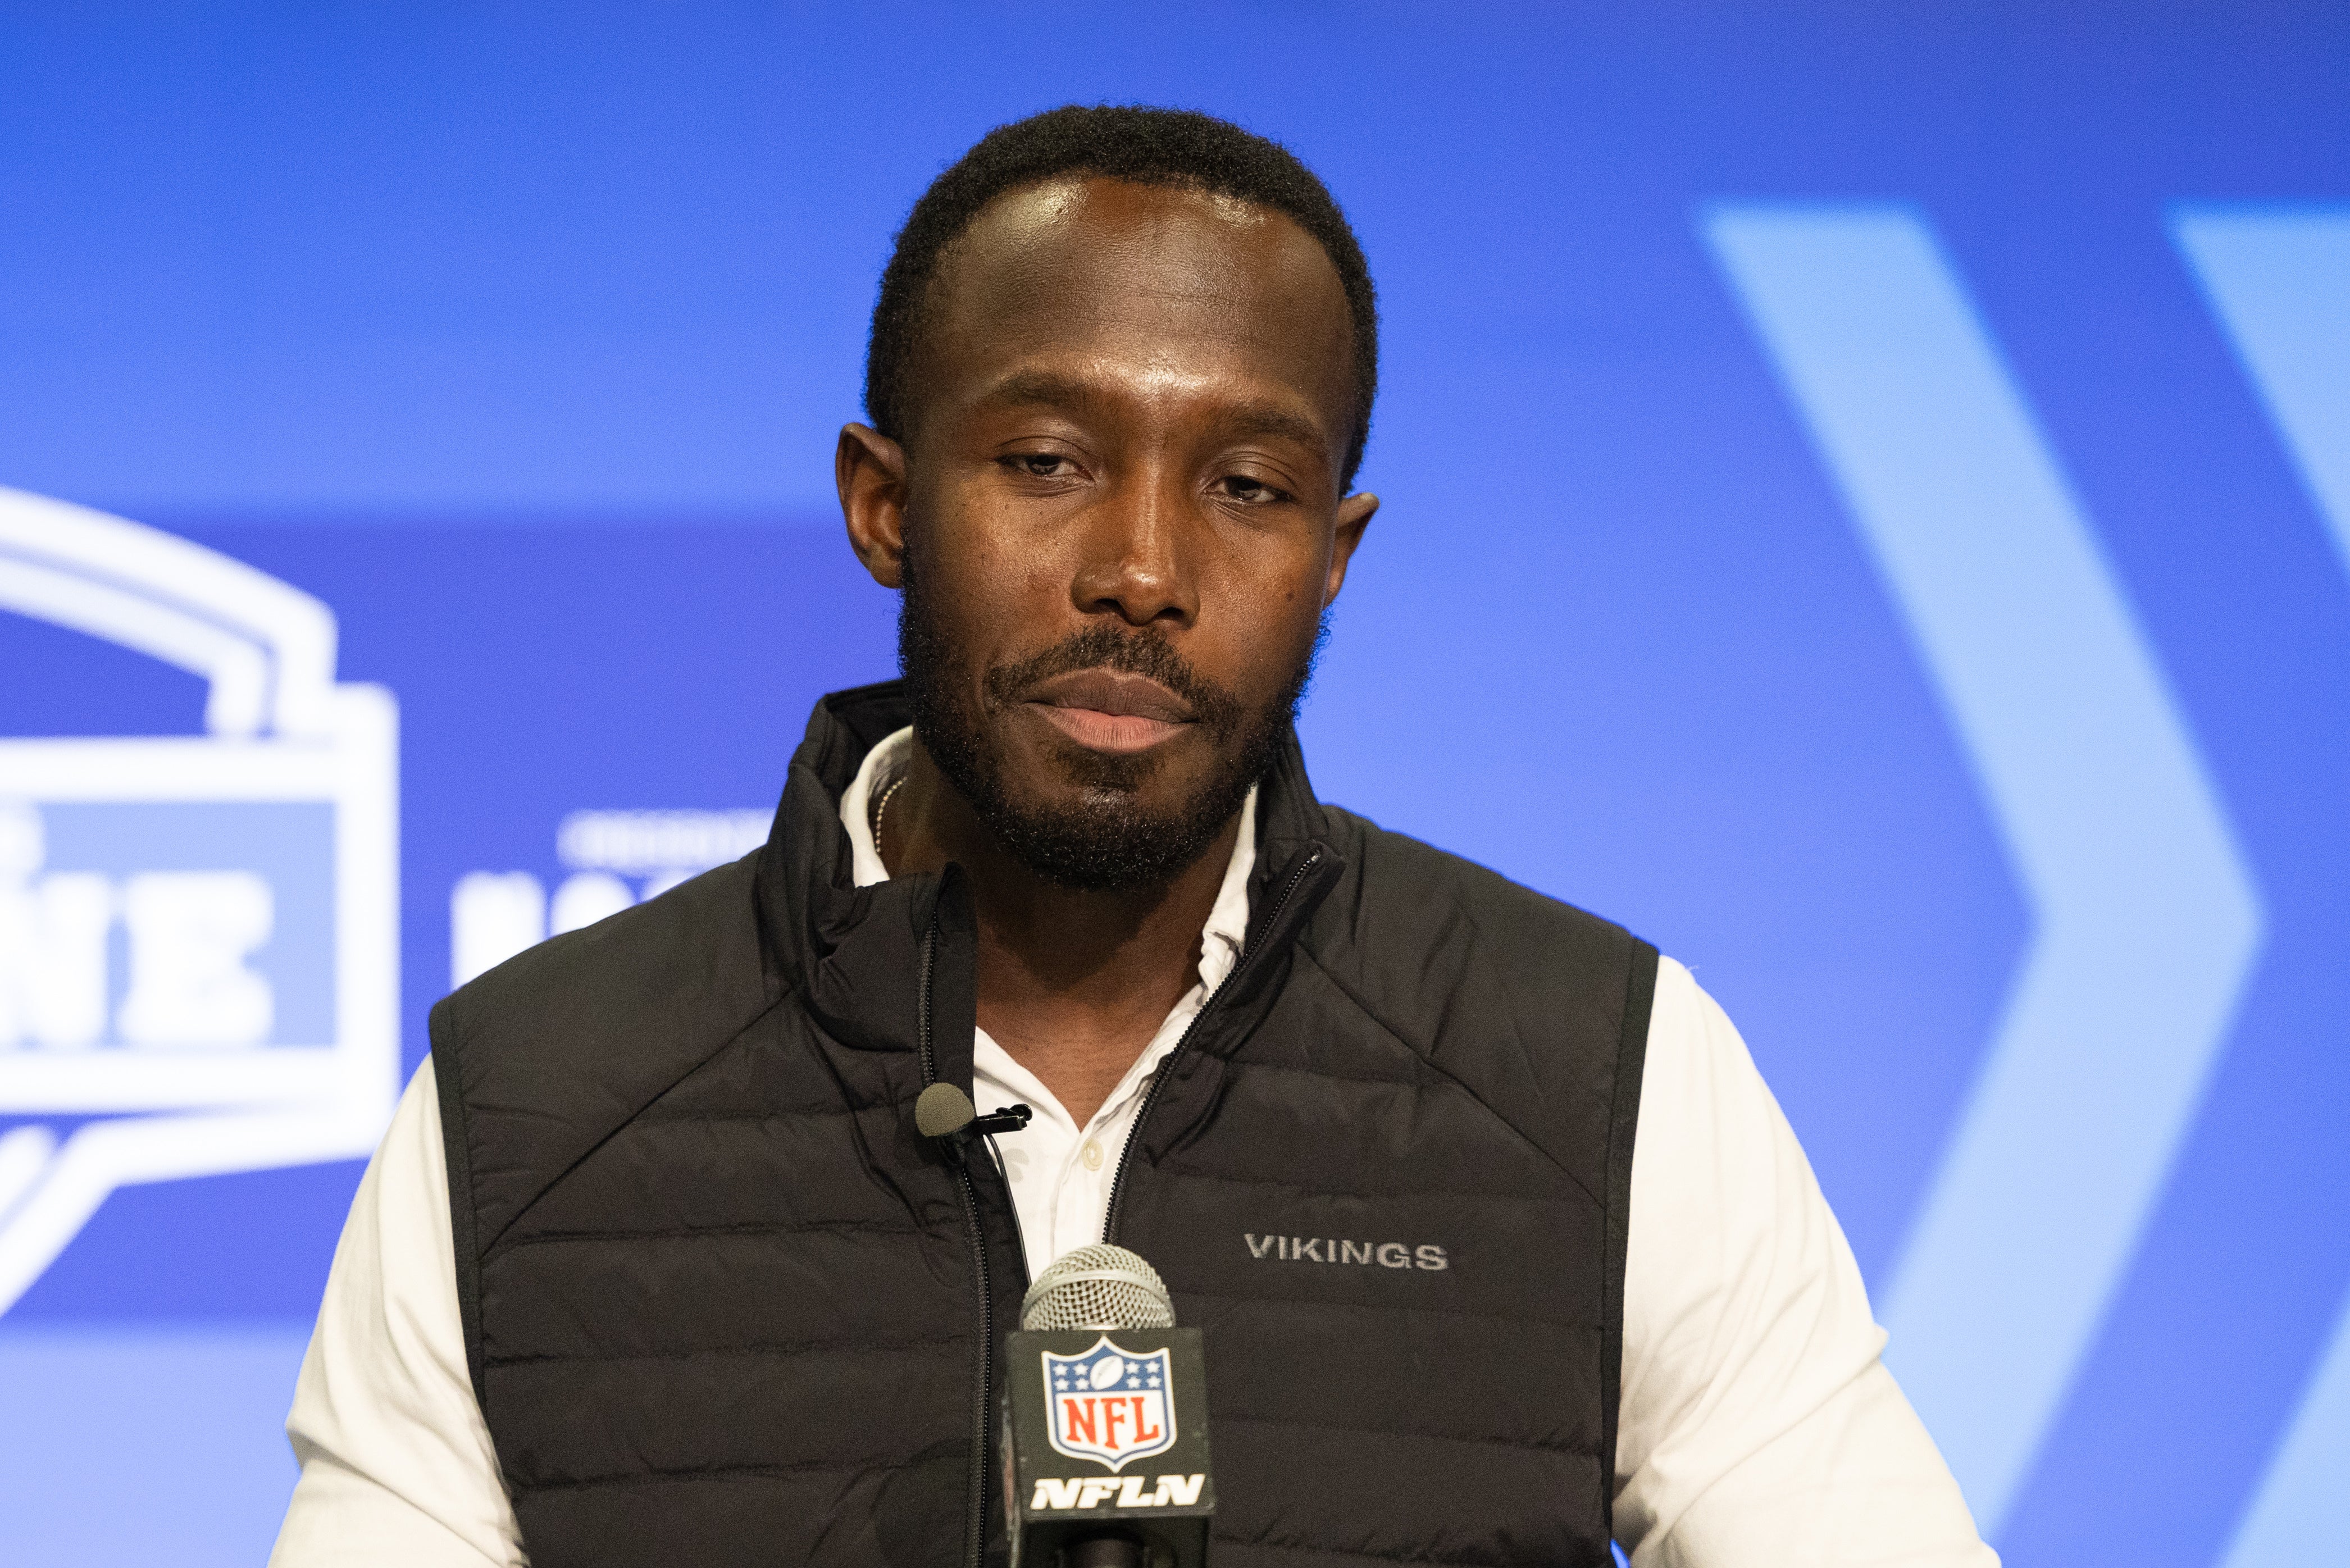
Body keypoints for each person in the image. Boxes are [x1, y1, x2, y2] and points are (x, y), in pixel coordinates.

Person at [270, 106, 1996, 1568]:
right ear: (884, 503)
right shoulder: (530, 1109)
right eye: (1044, 460)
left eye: (1249, 487)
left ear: (1336, 551)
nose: (1144, 569)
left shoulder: (1602, 1077)